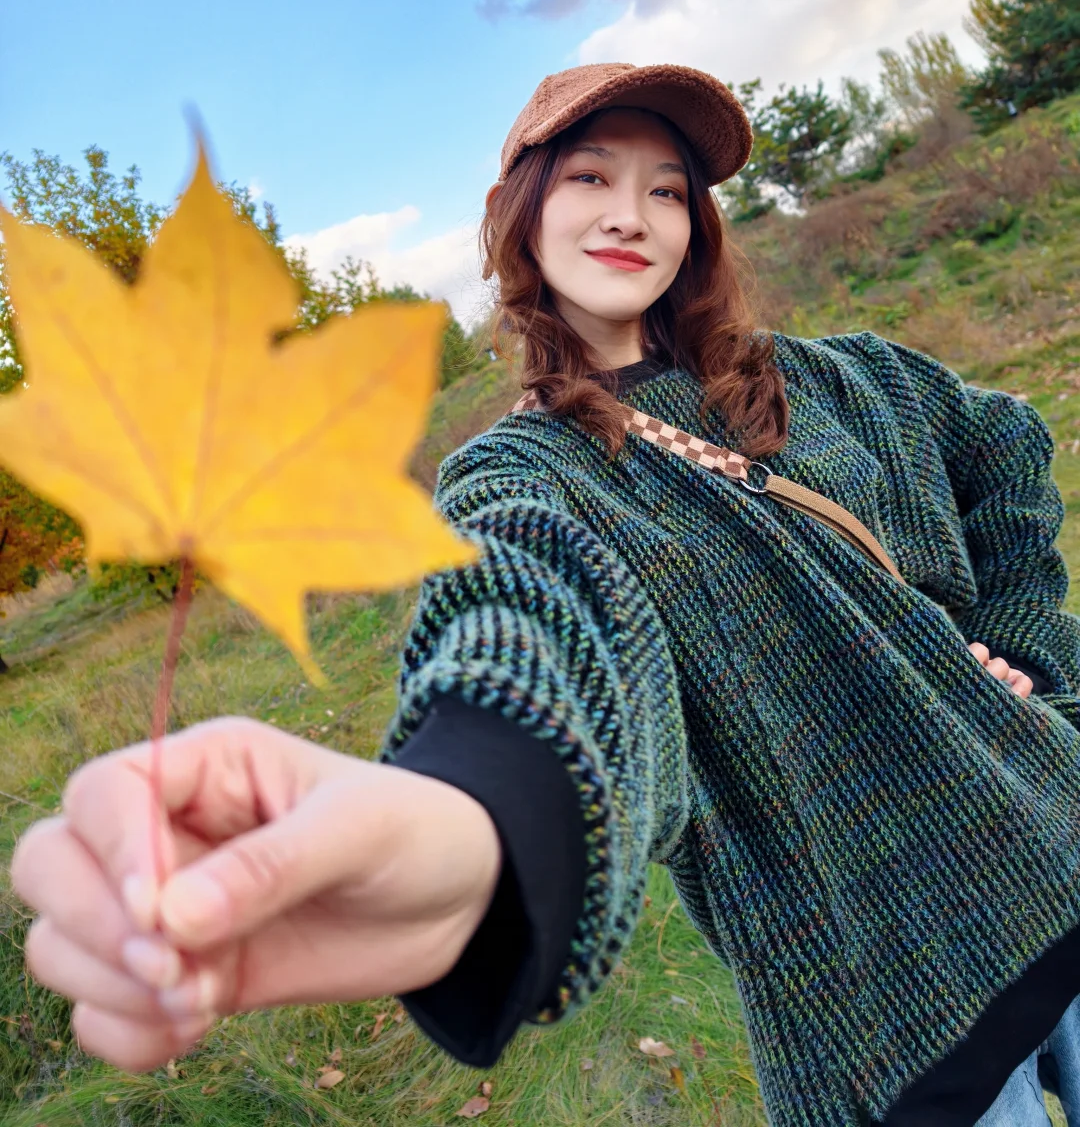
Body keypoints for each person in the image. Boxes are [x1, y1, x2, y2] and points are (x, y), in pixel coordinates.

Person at [11, 62, 1080, 1127]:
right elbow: (536, 614)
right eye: (589, 178)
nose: (632, 215)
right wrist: (478, 813)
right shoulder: (522, 474)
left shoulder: (830, 378)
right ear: (520, 216)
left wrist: (1017, 647)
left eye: (667, 190)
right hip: (887, 998)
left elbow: (1001, 448)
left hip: (1058, 829)